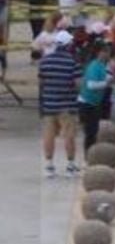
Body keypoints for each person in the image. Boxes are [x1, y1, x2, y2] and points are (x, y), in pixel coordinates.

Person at [37, 30, 82, 177]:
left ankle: (49, 166)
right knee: (69, 135)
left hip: (49, 105)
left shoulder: (45, 61)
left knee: (49, 135)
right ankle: (70, 166)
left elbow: (41, 82)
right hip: (67, 105)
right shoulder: (72, 62)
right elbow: (78, 84)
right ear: (68, 45)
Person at [77, 41, 112, 152]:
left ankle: (91, 152)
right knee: (90, 132)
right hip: (87, 103)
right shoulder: (94, 66)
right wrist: (106, 82)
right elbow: (91, 85)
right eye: (105, 51)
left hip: (95, 102)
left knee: (94, 131)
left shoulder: (102, 65)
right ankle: (89, 155)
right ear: (98, 52)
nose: (107, 54)